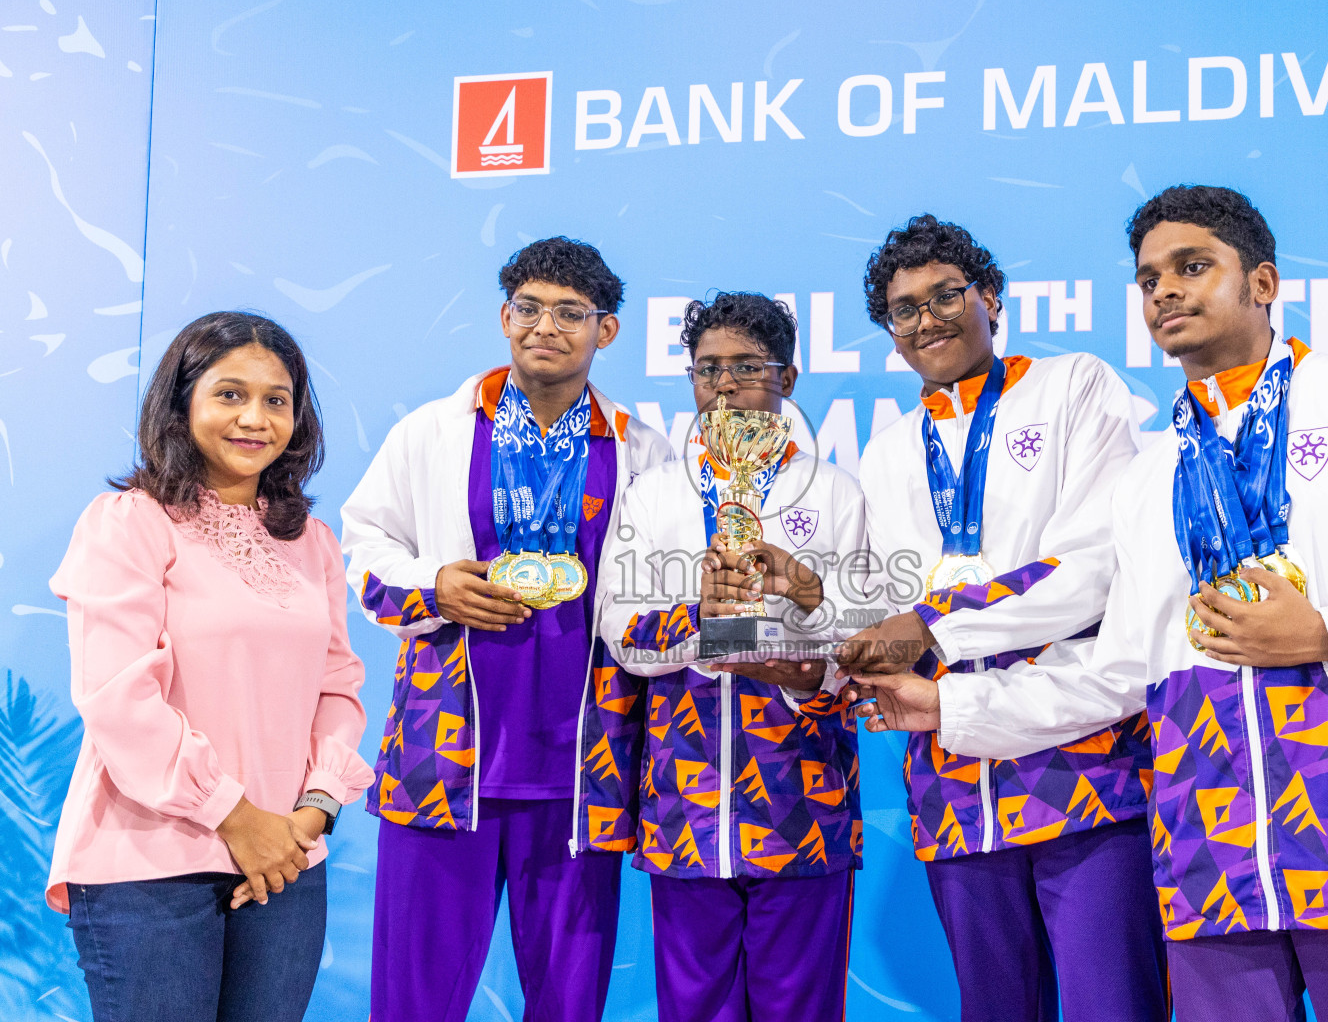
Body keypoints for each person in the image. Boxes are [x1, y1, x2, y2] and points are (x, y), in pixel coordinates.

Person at [850, 186, 1328, 1021]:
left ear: (1263, 283)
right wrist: (948, 704)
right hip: (1211, 870)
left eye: (1192, 267)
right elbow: (1118, 676)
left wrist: (1325, 634)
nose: (1165, 291)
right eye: (1148, 280)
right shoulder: (1149, 476)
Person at [835, 214, 1166, 1021]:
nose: (927, 318)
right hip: (950, 778)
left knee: (1111, 1005)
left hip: (1080, 763)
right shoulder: (885, 454)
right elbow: (875, 603)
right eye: (904, 308)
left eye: (946, 295)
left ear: (991, 297)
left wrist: (930, 625)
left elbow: (1090, 569)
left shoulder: (1072, 387)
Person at [341, 237, 672, 1022]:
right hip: (443, 757)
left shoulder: (641, 448)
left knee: (569, 1003)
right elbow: (364, 544)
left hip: (579, 766)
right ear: (503, 317)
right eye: (528, 308)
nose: (545, 326)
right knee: (412, 998)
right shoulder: (433, 430)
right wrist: (436, 586)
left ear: (607, 331)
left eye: (570, 313)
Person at [47, 311, 372, 1022]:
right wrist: (234, 815)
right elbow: (118, 698)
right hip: (151, 866)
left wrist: (311, 812)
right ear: (182, 402)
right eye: (230, 394)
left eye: (277, 400)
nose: (254, 417)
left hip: (286, 862)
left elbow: (338, 686)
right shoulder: (129, 522)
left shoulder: (313, 541)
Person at [594, 292, 864, 1022]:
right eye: (707, 368)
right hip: (683, 808)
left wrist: (804, 598)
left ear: (789, 379)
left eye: (747, 367)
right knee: (694, 1009)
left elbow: (862, 637)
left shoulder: (835, 492)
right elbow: (621, 631)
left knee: (802, 1009)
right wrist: (702, 619)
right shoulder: (654, 495)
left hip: (803, 803)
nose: (724, 384)